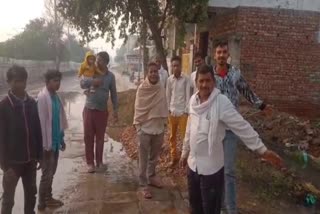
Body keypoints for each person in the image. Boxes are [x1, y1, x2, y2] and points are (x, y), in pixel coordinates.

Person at [180, 64, 284, 214]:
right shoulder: (193, 101)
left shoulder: (221, 102)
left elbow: (241, 126)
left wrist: (262, 150)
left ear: (213, 82)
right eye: (201, 81)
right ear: (196, 83)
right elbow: (190, 128)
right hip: (193, 166)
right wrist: (184, 152)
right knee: (195, 208)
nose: (204, 85)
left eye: (208, 81)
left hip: (211, 170)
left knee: (210, 209)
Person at [212, 40, 273, 214]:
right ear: (215, 55)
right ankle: (220, 207)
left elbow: (247, 92)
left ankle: (231, 209)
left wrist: (261, 106)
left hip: (231, 130)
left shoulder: (235, 74)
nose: (222, 55)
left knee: (229, 170)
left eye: (224, 52)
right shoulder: (211, 76)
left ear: (228, 55)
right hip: (215, 129)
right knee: (216, 169)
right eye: (219, 52)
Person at [0, 65, 43, 214]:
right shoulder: (4, 106)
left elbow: (37, 130)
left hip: (31, 160)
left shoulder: (31, 103)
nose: (20, 84)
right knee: (8, 200)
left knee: (31, 195)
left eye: (23, 81)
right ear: (9, 82)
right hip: (12, 163)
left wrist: (40, 156)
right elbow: (1, 138)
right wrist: (5, 166)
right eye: (16, 81)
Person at [133, 62, 168, 199]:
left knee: (154, 157)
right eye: (151, 71)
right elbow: (138, 109)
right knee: (143, 158)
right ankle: (143, 184)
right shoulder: (142, 89)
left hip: (158, 128)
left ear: (158, 73)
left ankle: (152, 176)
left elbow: (164, 105)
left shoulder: (160, 88)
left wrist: (164, 125)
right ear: (148, 73)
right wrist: (138, 128)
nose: (153, 74)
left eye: (155, 71)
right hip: (145, 129)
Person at [81, 51, 118, 173]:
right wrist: (93, 82)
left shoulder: (110, 76)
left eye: (100, 60)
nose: (97, 62)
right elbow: (82, 83)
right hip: (89, 109)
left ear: (106, 62)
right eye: (96, 60)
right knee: (88, 137)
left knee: (100, 138)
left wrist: (115, 111)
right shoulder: (91, 72)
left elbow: (113, 94)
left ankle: (99, 162)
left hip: (102, 111)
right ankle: (90, 163)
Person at [37, 70, 68, 211]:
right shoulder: (43, 98)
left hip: (55, 142)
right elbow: (41, 124)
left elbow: (59, 121)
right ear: (47, 81)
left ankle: (49, 198)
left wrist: (61, 139)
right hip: (46, 145)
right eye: (55, 80)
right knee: (46, 175)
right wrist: (44, 147)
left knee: (52, 172)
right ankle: (42, 203)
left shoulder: (55, 97)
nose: (58, 83)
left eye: (59, 80)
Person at [166, 56, 191, 166]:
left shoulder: (186, 79)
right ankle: (174, 157)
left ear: (180, 66)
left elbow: (187, 96)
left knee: (185, 137)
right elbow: (168, 96)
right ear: (171, 67)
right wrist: (168, 110)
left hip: (182, 113)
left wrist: (186, 111)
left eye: (177, 65)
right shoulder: (169, 80)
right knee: (172, 137)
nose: (175, 68)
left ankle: (184, 158)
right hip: (172, 112)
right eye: (173, 66)